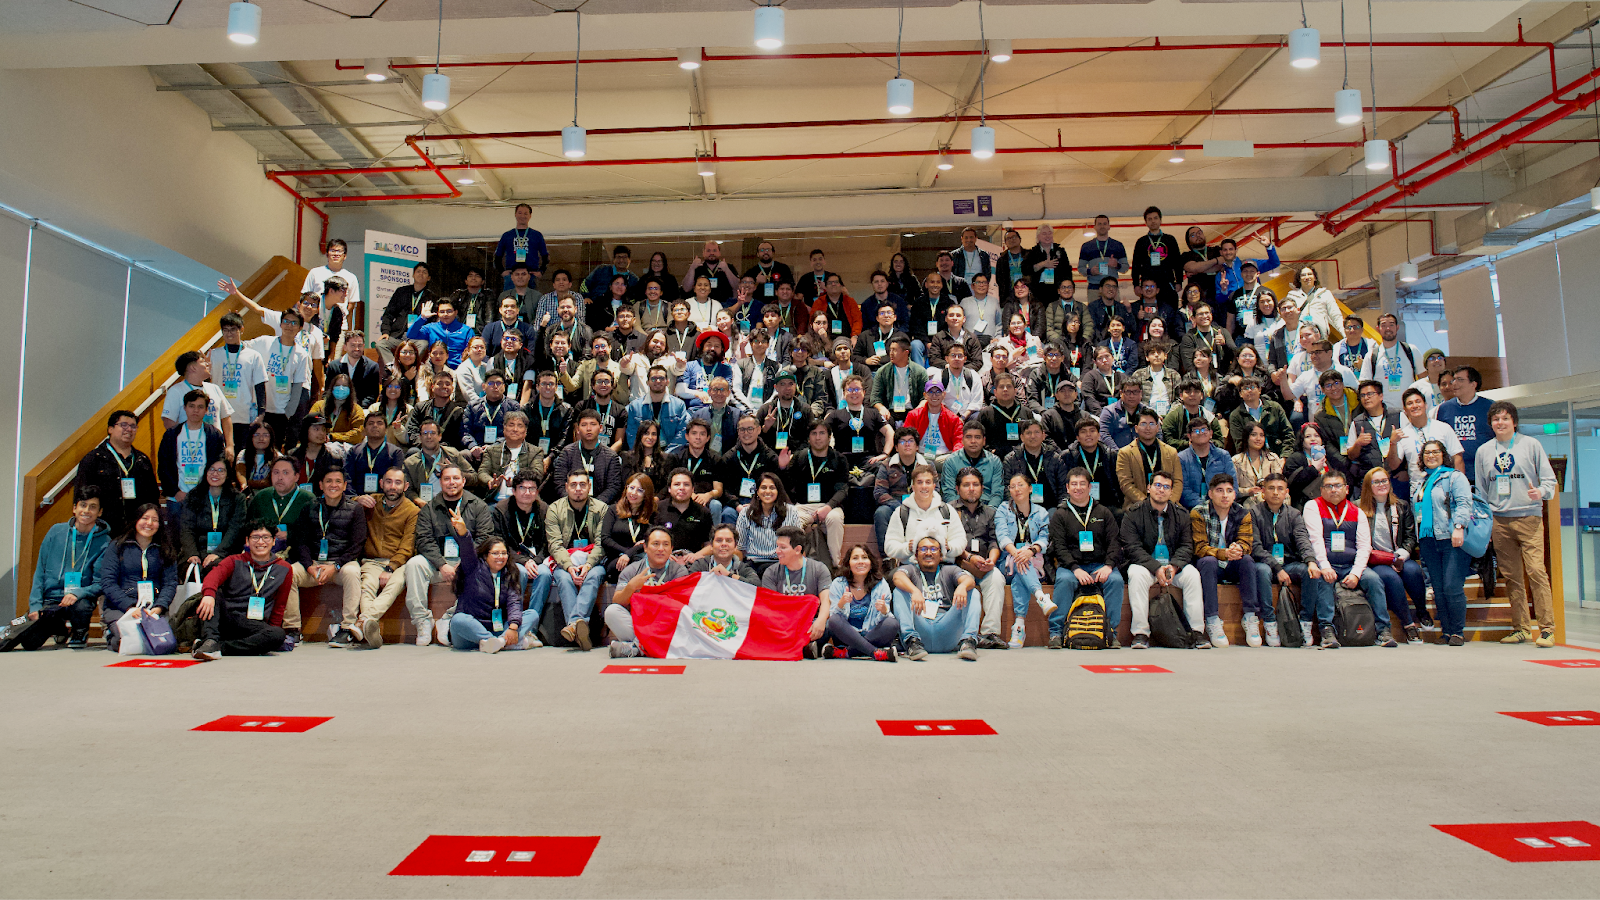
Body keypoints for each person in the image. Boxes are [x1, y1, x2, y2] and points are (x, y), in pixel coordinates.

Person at [1475, 401, 1558, 647]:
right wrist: (1485, 523)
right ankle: (1520, 628)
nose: (1500, 423)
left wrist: (1540, 492)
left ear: (1514, 422)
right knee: (1511, 577)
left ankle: (1547, 629)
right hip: (1499, 520)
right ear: (1490, 424)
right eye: (1496, 419)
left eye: (1505, 419)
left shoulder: (1531, 445)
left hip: (1528, 517)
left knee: (1536, 572)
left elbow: (1549, 480)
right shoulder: (1484, 451)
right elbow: (1481, 490)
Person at [405, 464, 496, 647]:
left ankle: (449, 617)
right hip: (437, 563)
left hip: (468, 563)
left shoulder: (479, 506)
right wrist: (441, 564)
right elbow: (423, 540)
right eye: (446, 479)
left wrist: (465, 562)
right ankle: (422, 620)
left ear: (463, 481)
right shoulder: (429, 509)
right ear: (440, 482)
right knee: (414, 564)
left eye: (456, 478)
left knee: (485, 569)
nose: (451, 483)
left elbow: (485, 539)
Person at [1303, 469, 1395, 647]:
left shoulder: (1357, 511)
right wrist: (1324, 565)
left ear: (1346, 489)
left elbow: (1364, 546)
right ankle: (1327, 630)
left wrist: (1356, 573)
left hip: (1350, 564)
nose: (1333, 490)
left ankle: (1383, 630)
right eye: (1328, 486)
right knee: (1323, 579)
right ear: (1321, 490)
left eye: (1338, 486)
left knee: (1374, 580)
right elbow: (1315, 539)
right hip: (1326, 563)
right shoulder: (1313, 506)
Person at [1120, 472, 1208, 650]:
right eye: (1158, 485)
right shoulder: (1133, 513)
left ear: (1171, 492)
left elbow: (1186, 546)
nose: (1161, 490)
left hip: (1172, 566)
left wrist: (1174, 566)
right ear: (1149, 488)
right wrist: (1155, 567)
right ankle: (1140, 633)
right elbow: (1132, 547)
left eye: (1166, 487)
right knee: (1135, 574)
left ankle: (1196, 631)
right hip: (1146, 566)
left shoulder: (1182, 514)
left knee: (1192, 574)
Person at [22, 486, 110, 650]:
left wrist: (78, 593)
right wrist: (35, 605)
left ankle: (80, 631)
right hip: (52, 598)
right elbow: (40, 571)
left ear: (100, 512)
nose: (86, 511)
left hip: (79, 599)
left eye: (92, 507)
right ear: (74, 508)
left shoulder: (105, 542)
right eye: (83, 505)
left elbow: (100, 583)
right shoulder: (55, 532)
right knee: (29, 642)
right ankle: (59, 628)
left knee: (82, 606)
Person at [189, 522, 294, 660]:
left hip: (254, 624)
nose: (260, 542)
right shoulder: (233, 560)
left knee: (278, 634)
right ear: (247, 541)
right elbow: (213, 577)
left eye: (266, 537)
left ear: (274, 541)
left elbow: (279, 605)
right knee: (215, 595)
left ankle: (220, 647)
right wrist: (208, 594)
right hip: (229, 618)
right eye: (255, 537)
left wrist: (269, 635)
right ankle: (210, 640)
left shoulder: (284, 568)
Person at [284, 468, 365, 645]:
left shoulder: (355, 509)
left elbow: (356, 546)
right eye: (328, 481)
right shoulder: (309, 508)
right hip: (314, 564)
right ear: (320, 485)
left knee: (353, 573)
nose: (333, 485)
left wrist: (335, 566)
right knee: (288, 572)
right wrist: (308, 566)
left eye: (338, 481)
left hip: (341, 565)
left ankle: (347, 628)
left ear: (344, 486)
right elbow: (301, 542)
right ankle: (293, 629)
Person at [351, 467, 418, 649]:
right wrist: (357, 499)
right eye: (388, 482)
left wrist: (391, 568)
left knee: (393, 585)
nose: (393, 487)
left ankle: (363, 621)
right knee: (366, 587)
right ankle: (367, 626)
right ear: (381, 483)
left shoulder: (412, 510)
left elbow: (408, 545)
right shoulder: (371, 502)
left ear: (405, 486)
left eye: (398, 483)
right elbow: (344, 503)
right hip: (372, 560)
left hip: (397, 563)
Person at [95, 504, 179, 651]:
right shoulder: (117, 546)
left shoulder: (165, 548)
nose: (149, 523)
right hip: (121, 607)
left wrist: (159, 607)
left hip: (152, 608)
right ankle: (111, 633)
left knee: (163, 642)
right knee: (130, 640)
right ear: (135, 520)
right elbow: (108, 583)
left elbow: (170, 583)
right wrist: (130, 607)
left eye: (154, 519)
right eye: (145, 518)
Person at [1357, 466, 1425, 644]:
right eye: (1376, 482)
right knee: (1391, 578)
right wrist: (1388, 560)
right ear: (1368, 486)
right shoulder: (1358, 508)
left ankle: (1422, 611)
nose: (1381, 485)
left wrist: (1401, 556)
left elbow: (1410, 537)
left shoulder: (1401, 506)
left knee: (1414, 572)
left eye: (1384, 480)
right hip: (1376, 560)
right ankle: (1409, 625)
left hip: (1399, 555)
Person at [1247, 472, 1315, 647]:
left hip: (1289, 564)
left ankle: (1305, 622)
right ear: (1263, 492)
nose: (1275, 493)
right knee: (1262, 571)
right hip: (1266, 564)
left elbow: (1302, 540)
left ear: (1287, 492)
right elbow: (1255, 547)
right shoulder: (1253, 513)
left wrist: (1311, 561)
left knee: (1310, 572)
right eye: (1271, 488)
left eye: (1280, 489)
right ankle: (1270, 623)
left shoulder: (1294, 514)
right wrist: (1277, 568)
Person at [604, 526, 693, 659]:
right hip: (639, 622)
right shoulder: (631, 570)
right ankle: (646, 647)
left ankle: (637, 648)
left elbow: (679, 607)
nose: (661, 549)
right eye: (655, 544)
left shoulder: (679, 571)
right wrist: (631, 587)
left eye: (665, 544)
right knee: (612, 612)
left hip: (665, 623)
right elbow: (617, 601)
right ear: (645, 547)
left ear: (671, 548)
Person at [1189, 474, 1258, 647]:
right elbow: (1200, 548)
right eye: (1220, 491)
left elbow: (1247, 542)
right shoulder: (1199, 512)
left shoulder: (1243, 513)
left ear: (1234, 494)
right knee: (1208, 561)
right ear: (1210, 494)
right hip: (1211, 565)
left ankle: (1250, 617)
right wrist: (1223, 553)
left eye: (1229, 491)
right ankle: (1212, 619)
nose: (1225, 495)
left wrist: (1238, 549)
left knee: (1248, 560)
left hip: (1232, 563)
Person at [546, 470, 609, 650]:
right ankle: (579, 626)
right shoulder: (554, 509)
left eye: (582, 485)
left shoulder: (601, 508)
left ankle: (573, 626)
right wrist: (568, 567)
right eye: (573, 485)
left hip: (593, 561)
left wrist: (588, 565)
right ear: (566, 488)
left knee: (594, 576)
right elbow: (555, 545)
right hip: (566, 561)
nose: (578, 489)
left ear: (589, 487)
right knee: (564, 579)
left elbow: (601, 543)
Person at [892, 534, 980, 661]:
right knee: (899, 591)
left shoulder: (949, 570)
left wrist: (962, 586)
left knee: (972, 592)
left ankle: (968, 642)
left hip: (947, 628)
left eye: (933, 549)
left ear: (941, 555)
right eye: (923, 549)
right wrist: (914, 590)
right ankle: (911, 641)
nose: (928, 553)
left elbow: (969, 581)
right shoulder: (910, 569)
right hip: (920, 628)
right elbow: (897, 577)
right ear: (916, 555)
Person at [949, 467, 1009, 650]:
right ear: (958, 489)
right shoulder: (948, 510)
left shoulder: (991, 512)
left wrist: (991, 560)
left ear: (982, 488)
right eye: (966, 485)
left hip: (983, 565)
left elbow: (994, 541)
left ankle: (990, 633)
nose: (971, 488)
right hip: (956, 564)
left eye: (975, 484)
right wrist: (969, 557)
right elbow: (946, 542)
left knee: (997, 577)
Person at [774, 421, 847, 565]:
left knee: (835, 518)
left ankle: (836, 565)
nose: (818, 437)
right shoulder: (799, 457)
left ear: (829, 437)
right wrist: (782, 468)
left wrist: (828, 507)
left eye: (822, 433)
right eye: (814, 433)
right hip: (803, 506)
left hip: (830, 505)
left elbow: (843, 489)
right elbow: (787, 485)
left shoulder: (839, 459)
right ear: (808, 438)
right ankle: (793, 562)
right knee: (790, 516)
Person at [759, 526, 833, 658]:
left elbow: (826, 600)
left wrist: (821, 620)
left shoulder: (819, 569)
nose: (777, 551)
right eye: (777, 546)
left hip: (810, 621)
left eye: (782, 547)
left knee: (829, 624)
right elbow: (770, 608)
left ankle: (792, 646)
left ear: (797, 549)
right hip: (783, 622)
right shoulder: (771, 572)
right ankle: (805, 647)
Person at [822, 544, 899, 661]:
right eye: (855, 558)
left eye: (864, 557)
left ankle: (846, 652)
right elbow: (834, 615)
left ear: (870, 562)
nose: (860, 562)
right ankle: (875, 652)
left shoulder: (880, 583)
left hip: (872, 633)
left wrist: (884, 610)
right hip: (847, 636)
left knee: (892, 624)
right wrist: (841, 604)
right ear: (848, 563)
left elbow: (886, 617)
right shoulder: (838, 583)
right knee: (833, 620)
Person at [157, 389, 228, 515]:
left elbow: (220, 465)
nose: (195, 410)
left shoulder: (214, 435)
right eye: (191, 406)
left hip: (205, 497)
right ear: (185, 408)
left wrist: (207, 491)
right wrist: (175, 492)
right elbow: (164, 466)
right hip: (176, 499)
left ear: (206, 410)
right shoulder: (172, 434)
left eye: (200, 407)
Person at [160, 351, 236, 461]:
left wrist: (229, 446)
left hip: (215, 447)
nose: (207, 364)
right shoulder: (176, 391)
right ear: (193, 368)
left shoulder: (214, 388)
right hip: (191, 450)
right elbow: (169, 422)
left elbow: (226, 417)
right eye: (203, 362)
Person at [209, 312, 267, 453]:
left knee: (241, 455)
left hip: (244, 416)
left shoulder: (253, 356)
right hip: (219, 415)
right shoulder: (214, 354)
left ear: (241, 329)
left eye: (233, 329)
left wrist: (262, 412)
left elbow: (260, 386)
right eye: (226, 330)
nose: (229, 333)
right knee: (220, 456)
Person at [178, 459, 246, 576]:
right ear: (205, 472)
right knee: (193, 569)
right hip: (197, 550)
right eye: (212, 470)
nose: (215, 474)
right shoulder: (193, 496)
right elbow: (186, 528)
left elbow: (235, 529)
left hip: (226, 551)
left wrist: (218, 553)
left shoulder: (237, 499)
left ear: (228, 474)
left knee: (217, 568)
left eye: (221, 470)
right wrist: (192, 554)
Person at [1391, 387, 1464, 490]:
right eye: (1410, 403)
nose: (1415, 406)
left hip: (1445, 488)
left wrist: (1459, 487)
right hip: (1419, 490)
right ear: (1405, 410)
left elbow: (1458, 458)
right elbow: (1393, 465)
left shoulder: (1443, 428)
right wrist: (1393, 443)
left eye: (1418, 402)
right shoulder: (1402, 434)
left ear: (1426, 405)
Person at [736, 472, 800, 576]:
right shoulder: (746, 513)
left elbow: (798, 543)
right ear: (757, 491)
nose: (767, 491)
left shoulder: (791, 511)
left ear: (778, 491)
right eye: (763, 487)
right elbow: (740, 547)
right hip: (754, 564)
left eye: (772, 488)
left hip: (782, 563)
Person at [1116, 407, 1181, 509]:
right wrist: (1148, 504)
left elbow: (1177, 481)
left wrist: (1167, 502)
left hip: (1168, 506)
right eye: (1143, 424)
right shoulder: (1125, 453)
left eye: (1151, 424)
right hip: (1137, 506)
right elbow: (1126, 485)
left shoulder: (1171, 452)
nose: (1147, 428)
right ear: (1136, 428)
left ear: (1157, 427)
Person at [403, 418, 477, 504]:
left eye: (433, 433)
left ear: (440, 436)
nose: (429, 436)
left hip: (453, 502)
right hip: (424, 506)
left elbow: (474, 478)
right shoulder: (410, 463)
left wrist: (454, 473)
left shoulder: (453, 454)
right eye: (425, 433)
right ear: (420, 437)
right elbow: (407, 489)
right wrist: (418, 501)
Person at [1001, 420, 1067, 510]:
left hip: (1051, 508)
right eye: (1028, 433)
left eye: (1037, 432)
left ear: (1043, 435)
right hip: (1021, 508)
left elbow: (1063, 488)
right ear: (1022, 437)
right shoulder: (1011, 459)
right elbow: (1006, 489)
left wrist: (1061, 510)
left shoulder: (1054, 458)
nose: (1033, 436)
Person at [603, 473, 656, 582]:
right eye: (631, 488)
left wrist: (630, 553)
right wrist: (627, 552)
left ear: (647, 494)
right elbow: (605, 539)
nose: (633, 493)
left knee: (641, 563)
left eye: (640, 490)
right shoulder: (613, 510)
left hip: (641, 557)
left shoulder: (652, 514)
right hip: (616, 557)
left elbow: (651, 540)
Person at [655, 468, 715, 563]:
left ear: (692, 489)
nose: (681, 488)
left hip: (693, 563)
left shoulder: (703, 512)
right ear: (669, 489)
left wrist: (696, 556)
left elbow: (710, 545)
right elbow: (649, 541)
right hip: (663, 561)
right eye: (677, 484)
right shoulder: (658, 509)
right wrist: (664, 555)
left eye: (686, 484)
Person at [1226, 375, 1294, 458]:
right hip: (1252, 458)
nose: (1250, 390)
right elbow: (1240, 444)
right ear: (1240, 394)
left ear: (1259, 390)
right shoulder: (1236, 415)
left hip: (1278, 454)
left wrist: (1284, 457)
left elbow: (1288, 434)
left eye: (1252, 387)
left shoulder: (1274, 408)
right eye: (1246, 388)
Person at [1176, 417, 1236, 510]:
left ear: (1211, 433)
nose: (1201, 433)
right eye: (1196, 431)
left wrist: (1220, 502)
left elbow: (1233, 484)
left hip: (1223, 505)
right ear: (1189, 436)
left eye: (1204, 429)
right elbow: (1184, 490)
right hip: (1193, 509)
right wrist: (1205, 506)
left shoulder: (1223, 455)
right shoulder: (1182, 458)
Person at [939, 422, 1003, 507]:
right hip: (959, 510)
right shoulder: (951, 462)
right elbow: (949, 494)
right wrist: (960, 512)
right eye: (969, 437)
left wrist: (989, 514)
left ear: (984, 441)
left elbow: (997, 494)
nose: (973, 441)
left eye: (977, 437)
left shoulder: (995, 462)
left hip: (987, 509)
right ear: (962, 440)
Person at [869, 336, 927, 429]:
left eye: (895, 350)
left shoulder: (920, 371)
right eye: (890, 350)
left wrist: (918, 410)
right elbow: (875, 398)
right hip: (890, 411)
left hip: (911, 410)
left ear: (906, 352)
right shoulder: (883, 371)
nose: (891, 353)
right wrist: (881, 408)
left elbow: (925, 397)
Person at [406, 372, 469, 450]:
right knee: (412, 451)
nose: (444, 386)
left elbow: (457, 436)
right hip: (422, 447)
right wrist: (423, 444)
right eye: (440, 383)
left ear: (452, 389)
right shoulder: (420, 407)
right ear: (432, 387)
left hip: (447, 450)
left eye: (447, 384)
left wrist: (438, 447)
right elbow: (412, 430)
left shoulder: (458, 411)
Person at [324, 328, 383, 409]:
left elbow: (372, 394)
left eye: (359, 345)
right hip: (336, 409)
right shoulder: (334, 366)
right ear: (345, 347)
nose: (357, 349)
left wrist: (357, 410)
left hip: (361, 410)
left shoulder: (372, 367)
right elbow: (328, 391)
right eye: (353, 345)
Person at [686, 523, 761, 586]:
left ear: (735, 546)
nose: (724, 544)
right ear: (711, 546)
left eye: (728, 541)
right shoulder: (700, 565)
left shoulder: (743, 568)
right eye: (719, 540)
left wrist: (729, 575)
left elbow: (756, 585)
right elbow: (688, 586)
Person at [494, 203, 548, 291]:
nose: (522, 216)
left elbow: (545, 256)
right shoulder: (507, 235)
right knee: (510, 301)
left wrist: (541, 271)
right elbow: (497, 256)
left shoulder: (536, 235)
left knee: (531, 301)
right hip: (512, 275)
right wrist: (502, 271)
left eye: (525, 213)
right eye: (520, 213)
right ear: (515, 214)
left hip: (531, 275)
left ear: (530, 216)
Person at [1231, 420, 1284, 504]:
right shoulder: (1236, 461)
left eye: (1261, 435)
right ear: (1246, 437)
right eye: (1254, 435)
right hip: (1246, 501)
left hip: (1270, 498)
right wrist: (1248, 491)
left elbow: (1279, 482)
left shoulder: (1273, 458)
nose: (1258, 439)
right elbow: (1232, 488)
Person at [1285, 266, 1343, 342]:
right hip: (1300, 338)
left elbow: (1336, 316)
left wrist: (1344, 334)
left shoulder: (1325, 294)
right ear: (1299, 279)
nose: (1307, 277)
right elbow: (1287, 317)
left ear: (1315, 278)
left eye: (1310, 274)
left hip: (1321, 336)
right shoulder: (1292, 296)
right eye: (1303, 275)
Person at [1077, 214, 1128, 286]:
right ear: (1095, 227)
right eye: (1099, 224)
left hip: (1112, 287)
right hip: (1094, 286)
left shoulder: (1118, 245)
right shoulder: (1086, 246)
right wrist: (1090, 271)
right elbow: (1080, 268)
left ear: (1109, 227)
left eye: (1104, 224)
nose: (1102, 226)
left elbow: (1125, 268)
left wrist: (1117, 265)